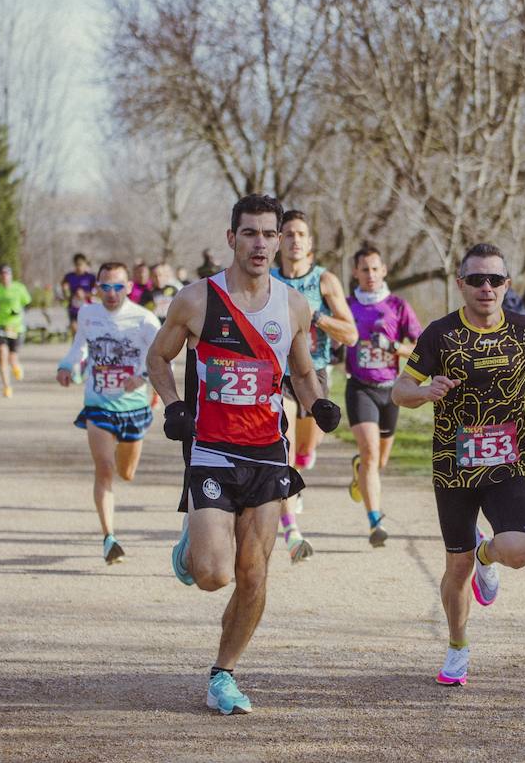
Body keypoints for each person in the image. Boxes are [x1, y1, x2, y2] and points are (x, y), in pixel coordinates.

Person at [146, 193, 343, 715]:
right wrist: (173, 406)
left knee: (254, 574)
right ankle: (193, 543)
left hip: (267, 454)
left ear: (280, 242)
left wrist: (318, 404)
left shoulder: (294, 305)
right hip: (212, 449)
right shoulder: (196, 300)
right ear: (232, 239)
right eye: (250, 233)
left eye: (269, 234)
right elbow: (158, 357)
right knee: (214, 574)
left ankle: (224, 673)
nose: (260, 244)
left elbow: (301, 371)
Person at [391, 242, 525, 686]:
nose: (487, 288)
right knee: (456, 567)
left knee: (518, 551)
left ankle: (488, 555)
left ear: (507, 284)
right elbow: (399, 390)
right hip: (454, 467)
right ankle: (457, 646)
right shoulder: (439, 334)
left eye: (496, 279)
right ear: (461, 283)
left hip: (506, 463)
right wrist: (424, 392)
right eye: (477, 279)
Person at [56, 262, 161, 564]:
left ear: (129, 288)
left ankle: (119, 456)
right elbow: (79, 348)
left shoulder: (145, 320)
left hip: (133, 407)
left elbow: (162, 358)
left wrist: (142, 377)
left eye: (118, 287)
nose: (111, 293)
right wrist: (66, 366)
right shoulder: (88, 314)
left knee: (125, 473)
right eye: (106, 286)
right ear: (97, 288)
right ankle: (109, 538)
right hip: (99, 404)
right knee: (104, 468)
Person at [270, 210, 357, 561]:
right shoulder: (268, 279)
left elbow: (350, 333)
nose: (294, 240)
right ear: (278, 241)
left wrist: (315, 315)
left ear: (310, 243)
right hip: (279, 376)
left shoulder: (325, 281)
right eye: (287, 233)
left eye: (300, 234)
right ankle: (291, 530)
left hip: (316, 373)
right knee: (283, 447)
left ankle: (304, 460)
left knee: (305, 447)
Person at [344, 244, 422, 546]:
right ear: (355, 273)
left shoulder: (399, 306)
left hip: (390, 390)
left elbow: (419, 347)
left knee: (380, 462)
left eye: (375, 268)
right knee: (370, 453)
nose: (370, 275)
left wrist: (394, 348)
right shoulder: (348, 305)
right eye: (364, 269)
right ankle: (375, 520)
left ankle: (360, 470)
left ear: (384, 270)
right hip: (360, 387)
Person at [0, 265, 32, 398]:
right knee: (2, 354)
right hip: (1, 326)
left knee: (12, 358)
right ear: (0, 276)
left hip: (16, 327)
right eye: (2, 274)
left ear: (11, 275)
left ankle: (16, 367)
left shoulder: (19, 288)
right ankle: (7, 387)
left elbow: (28, 303)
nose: (5, 277)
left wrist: (19, 312)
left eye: (7, 274)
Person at [62, 253, 96, 334]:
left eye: (81, 264)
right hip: (73, 308)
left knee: (87, 332)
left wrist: (85, 294)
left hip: (87, 309)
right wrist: (66, 291)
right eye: (77, 264)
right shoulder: (69, 277)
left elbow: (97, 293)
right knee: (75, 330)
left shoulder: (91, 277)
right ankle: (77, 345)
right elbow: (64, 292)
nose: (79, 267)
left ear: (85, 264)